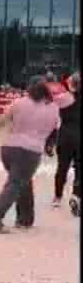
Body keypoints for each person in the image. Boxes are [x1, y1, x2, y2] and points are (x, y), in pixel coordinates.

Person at [0, 79, 59, 233]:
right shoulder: (53, 108)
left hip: (8, 147)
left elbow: (1, 120)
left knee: (22, 182)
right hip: (31, 150)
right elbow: (54, 128)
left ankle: (25, 219)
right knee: (15, 184)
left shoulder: (19, 102)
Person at [52, 72, 80, 216]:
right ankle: (77, 194)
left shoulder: (64, 99)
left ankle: (57, 197)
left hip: (65, 136)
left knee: (62, 168)